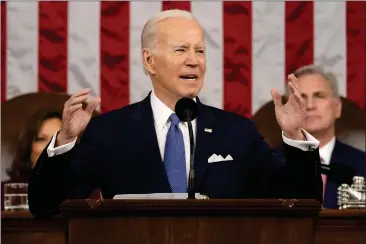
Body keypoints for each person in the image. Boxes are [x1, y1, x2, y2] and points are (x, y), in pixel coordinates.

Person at [28, 9, 323, 218]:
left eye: (200, 51)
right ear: (149, 61)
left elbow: (301, 204)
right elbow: (47, 206)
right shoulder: (109, 132)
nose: (194, 61)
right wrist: (66, 138)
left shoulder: (236, 132)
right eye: (181, 50)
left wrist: (295, 136)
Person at [277, 64, 365, 209]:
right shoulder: (269, 165)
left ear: (337, 107)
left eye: (319, 96)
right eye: (301, 97)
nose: (310, 105)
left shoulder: (362, 165)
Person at [1, 109, 62, 210]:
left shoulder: (88, 194)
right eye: (41, 139)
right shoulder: (4, 193)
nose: (49, 147)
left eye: (58, 140)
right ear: (29, 147)